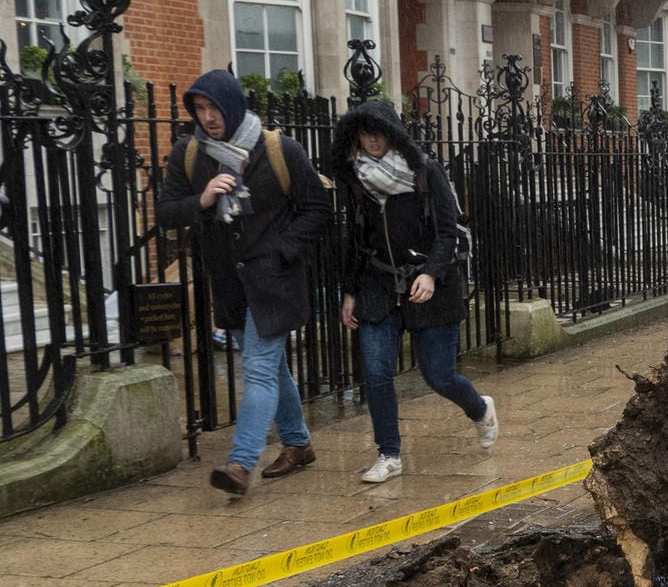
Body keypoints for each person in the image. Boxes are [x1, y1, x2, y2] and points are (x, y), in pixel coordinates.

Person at [157, 69, 331, 496]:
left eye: (214, 107)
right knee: (273, 368)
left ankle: (240, 462)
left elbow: (318, 210)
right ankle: (299, 444)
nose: (208, 116)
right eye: (199, 109)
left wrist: (282, 249)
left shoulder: (278, 150)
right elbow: (164, 214)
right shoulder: (191, 154)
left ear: (232, 105)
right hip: (229, 282)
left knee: (257, 368)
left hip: (275, 279)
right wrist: (201, 199)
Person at [330, 100, 497, 483]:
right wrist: (350, 291)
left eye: (379, 132)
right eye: (364, 133)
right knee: (376, 372)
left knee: (438, 375)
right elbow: (355, 240)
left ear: (392, 133)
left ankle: (479, 408)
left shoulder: (425, 171)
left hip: (429, 286)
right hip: (378, 285)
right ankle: (388, 454)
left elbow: (449, 231)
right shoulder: (357, 180)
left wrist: (432, 274)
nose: (372, 140)